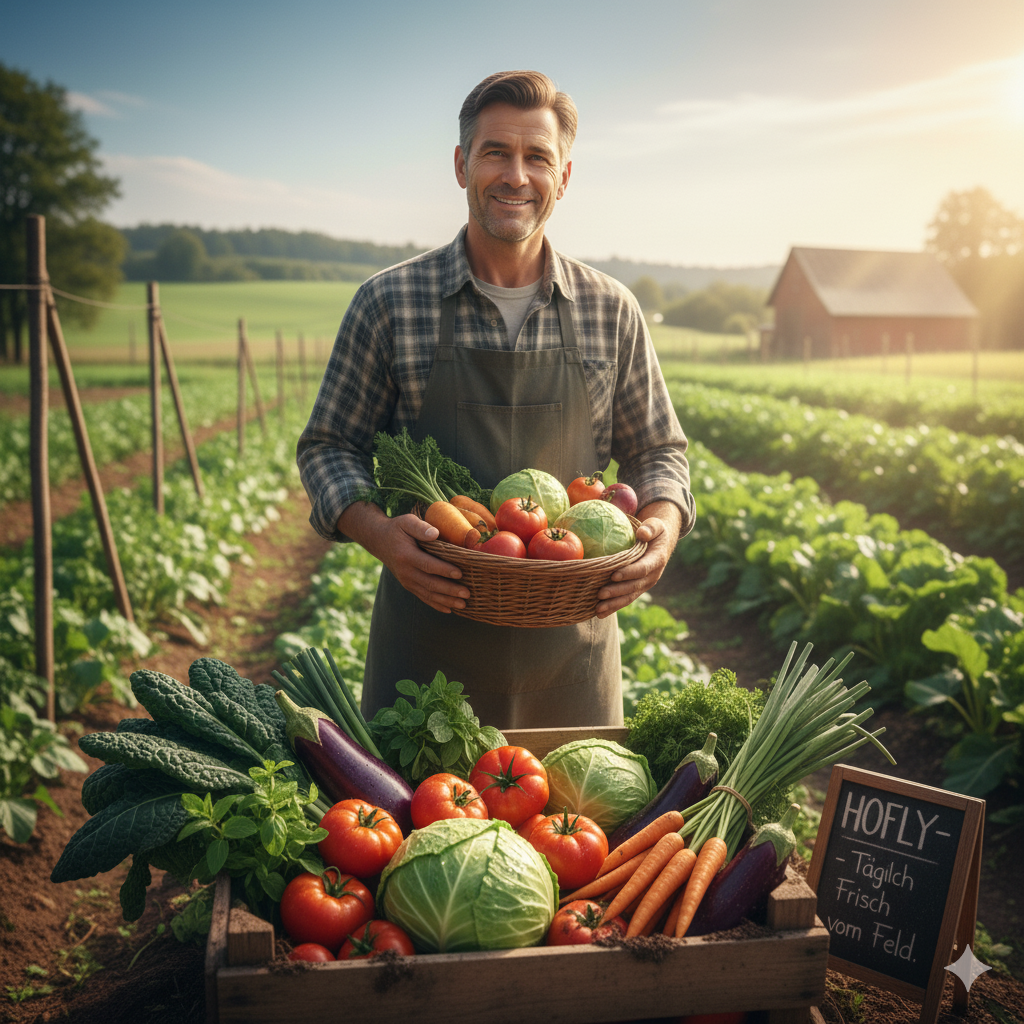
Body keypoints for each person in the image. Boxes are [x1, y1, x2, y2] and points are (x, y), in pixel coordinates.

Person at [297, 70, 695, 730]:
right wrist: (380, 535)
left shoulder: (610, 309)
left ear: (564, 177)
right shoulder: (390, 302)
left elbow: (659, 452)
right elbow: (328, 447)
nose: (516, 175)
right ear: (461, 165)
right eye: (495, 153)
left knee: (574, 831)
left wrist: (661, 533)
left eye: (537, 157)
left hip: (574, 661)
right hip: (426, 657)